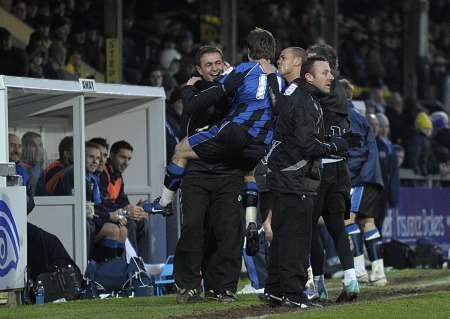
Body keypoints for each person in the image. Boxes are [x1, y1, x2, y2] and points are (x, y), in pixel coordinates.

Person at [147, 28, 281, 257]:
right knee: (248, 171)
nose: (216, 69)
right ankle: (251, 220)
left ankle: (164, 202)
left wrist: (189, 88)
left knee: (181, 149)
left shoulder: (242, 70)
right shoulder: (277, 76)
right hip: (261, 142)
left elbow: (207, 97)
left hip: (235, 133)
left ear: (248, 51)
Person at [262, 56, 357, 308]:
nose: (331, 77)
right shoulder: (306, 102)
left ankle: (274, 289)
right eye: (325, 72)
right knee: (296, 238)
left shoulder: (298, 96)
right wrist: (334, 146)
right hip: (295, 179)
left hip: (283, 176)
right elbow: (307, 145)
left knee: (282, 236)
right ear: (309, 77)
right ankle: (294, 294)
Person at [173, 45, 246, 304]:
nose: (214, 68)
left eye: (218, 63)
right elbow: (189, 120)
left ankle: (222, 287)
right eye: (208, 65)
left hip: (229, 172)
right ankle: (188, 285)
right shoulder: (195, 95)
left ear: (224, 63)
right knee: (193, 228)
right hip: (197, 173)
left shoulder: (236, 88)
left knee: (227, 232)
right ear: (198, 69)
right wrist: (188, 90)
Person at [304, 45, 360, 303]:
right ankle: (351, 278)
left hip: (319, 166)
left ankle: (317, 283)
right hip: (340, 168)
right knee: (338, 226)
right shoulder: (340, 92)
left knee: (310, 227)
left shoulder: (316, 90)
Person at [345, 85, 386, 286]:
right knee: (367, 222)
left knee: (348, 220)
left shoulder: (347, 117)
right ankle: (378, 272)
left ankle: (359, 269)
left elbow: (354, 152)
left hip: (359, 178)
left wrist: (349, 176)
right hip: (371, 177)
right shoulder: (361, 117)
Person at [99, 140, 151, 261]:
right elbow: (102, 202)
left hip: (118, 214)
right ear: (111, 155)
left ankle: (142, 263)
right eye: (122, 157)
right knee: (130, 223)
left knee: (142, 222)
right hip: (105, 216)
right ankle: (131, 265)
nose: (126, 162)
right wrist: (126, 210)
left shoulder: (118, 176)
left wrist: (137, 208)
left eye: (129, 159)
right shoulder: (102, 173)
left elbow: (123, 202)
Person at [372, 113, 400, 233]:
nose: (384, 129)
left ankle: (375, 250)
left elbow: (393, 173)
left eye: (386, 126)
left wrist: (393, 196)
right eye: (381, 126)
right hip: (372, 193)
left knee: (378, 226)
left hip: (383, 193)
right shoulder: (374, 144)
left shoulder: (388, 146)